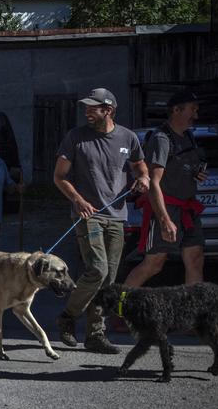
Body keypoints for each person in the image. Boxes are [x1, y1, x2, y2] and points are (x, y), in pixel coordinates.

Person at [53, 88, 150, 353]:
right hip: (88, 215)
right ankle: (68, 317)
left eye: (92, 107)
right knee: (98, 269)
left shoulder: (128, 137)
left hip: (117, 216)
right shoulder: (75, 137)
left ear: (108, 110)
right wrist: (78, 200)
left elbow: (140, 167)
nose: (87, 111)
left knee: (108, 282)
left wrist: (143, 179)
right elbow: (59, 177)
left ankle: (95, 334)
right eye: (86, 107)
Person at [123, 90, 208, 288]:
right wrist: (164, 220)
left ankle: (192, 313)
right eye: (192, 110)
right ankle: (120, 307)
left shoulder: (188, 136)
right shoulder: (161, 139)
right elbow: (154, 182)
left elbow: (180, 167)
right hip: (166, 209)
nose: (196, 115)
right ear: (176, 110)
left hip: (189, 209)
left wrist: (195, 174)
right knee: (154, 264)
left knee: (195, 258)